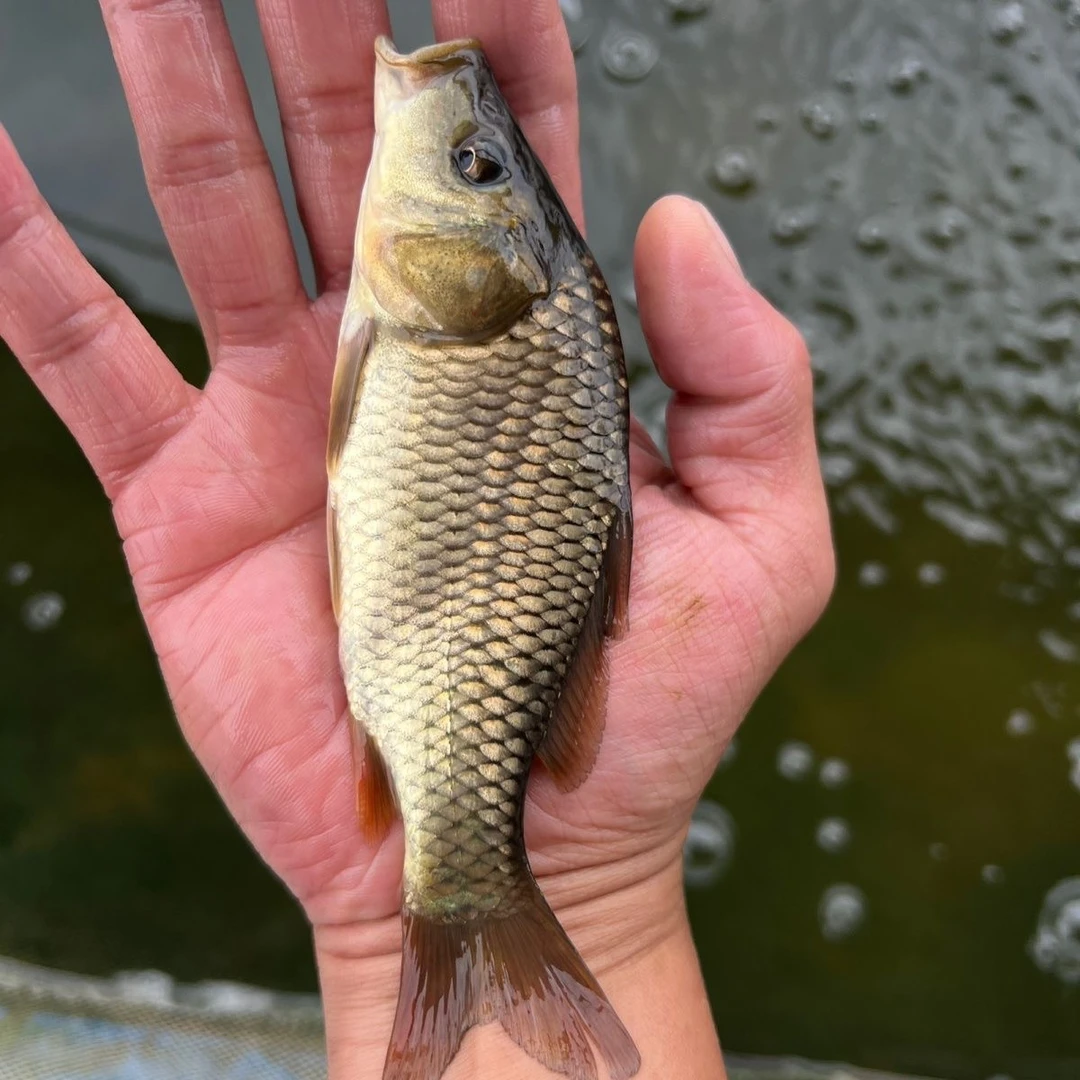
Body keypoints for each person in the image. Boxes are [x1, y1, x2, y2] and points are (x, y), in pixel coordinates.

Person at [0, 1, 835, 1077]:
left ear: (496, 269)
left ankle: (469, 912)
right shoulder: (461, 311)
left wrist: (575, 890)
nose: (463, 140)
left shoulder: (475, 316)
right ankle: (475, 931)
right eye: (486, 164)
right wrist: (604, 903)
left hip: (427, 670)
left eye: (474, 165)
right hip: (427, 652)